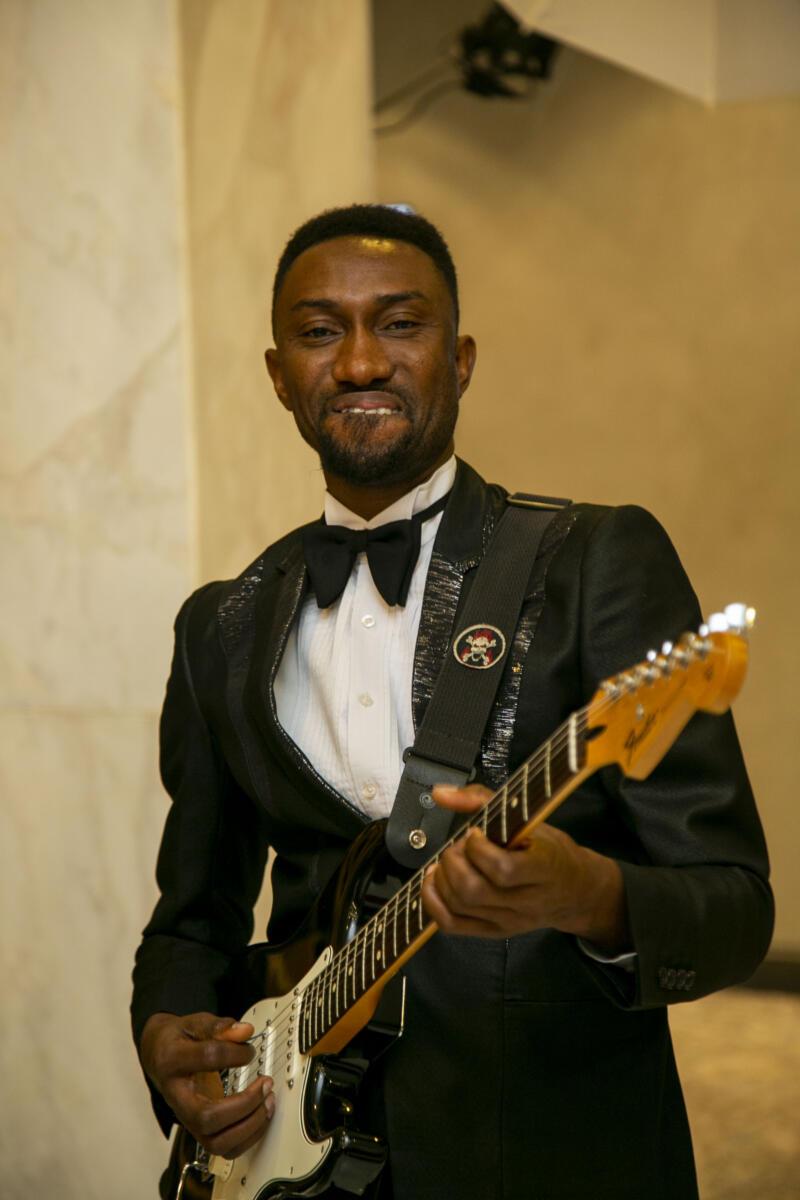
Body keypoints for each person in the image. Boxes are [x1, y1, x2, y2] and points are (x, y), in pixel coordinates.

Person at [132, 205, 773, 1200]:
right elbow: (192, 919)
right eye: (319, 331)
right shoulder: (219, 624)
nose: (359, 362)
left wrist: (588, 896)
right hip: (290, 1164)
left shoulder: (593, 562)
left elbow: (732, 906)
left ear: (460, 360)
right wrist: (165, 1037)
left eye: (400, 324)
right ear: (278, 376)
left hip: (551, 1157)